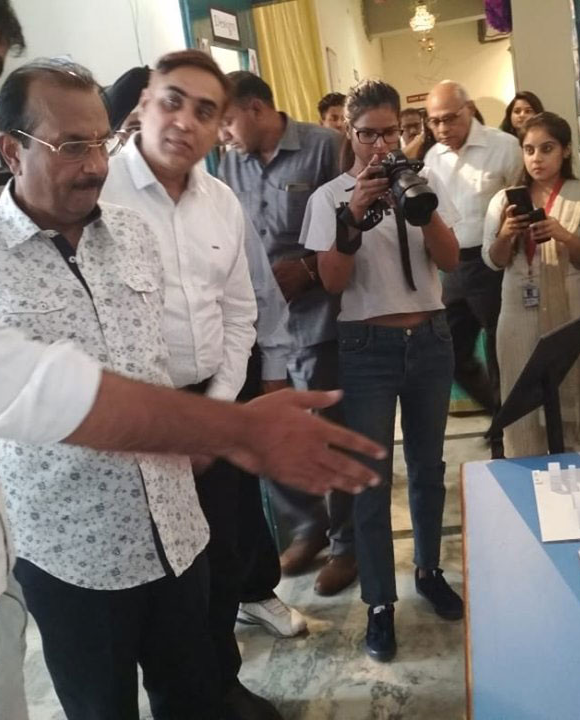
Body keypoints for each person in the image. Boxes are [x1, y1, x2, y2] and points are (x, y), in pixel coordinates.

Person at [0, 3, 384, 718]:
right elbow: (0, 387)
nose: (96, 164)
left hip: (176, 529)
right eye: (72, 146)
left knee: (197, 693)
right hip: (68, 555)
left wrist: (223, 410)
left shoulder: (133, 235)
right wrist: (239, 430)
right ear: (12, 152)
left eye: (102, 142)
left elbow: (183, 340)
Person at [100, 49, 298, 719]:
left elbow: (240, 313)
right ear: (143, 106)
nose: (185, 120)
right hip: (140, 415)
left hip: (217, 397)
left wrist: (217, 413)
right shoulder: (99, 197)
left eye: (206, 111)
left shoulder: (221, 202)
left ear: (220, 128)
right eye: (172, 101)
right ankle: (183, 699)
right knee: (163, 574)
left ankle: (222, 683)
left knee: (225, 554)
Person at [302, 79, 464, 662]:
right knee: (371, 478)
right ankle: (379, 603)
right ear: (350, 133)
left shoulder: (425, 180)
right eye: (368, 134)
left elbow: (450, 260)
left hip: (430, 338)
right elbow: (332, 282)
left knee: (428, 468)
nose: (380, 145)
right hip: (366, 345)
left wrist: (419, 208)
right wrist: (353, 215)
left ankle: (428, 570)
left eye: (390, 132)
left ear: (402, 130)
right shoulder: (328, 198)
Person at [220, 71, 359, 597]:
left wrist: (306, 269)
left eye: (226, 120)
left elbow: (355, 227)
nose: (221, 134)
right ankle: (308, 524)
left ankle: (346, 545)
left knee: (330, 432)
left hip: (320, 316)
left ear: (256, 109)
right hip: (259, 327)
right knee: (269, 431)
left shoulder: (324, 147)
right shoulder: (229, 162)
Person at [482, 112, 580, 457]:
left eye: (547, 149)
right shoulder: (504, 200)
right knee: (521, 394)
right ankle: (527, 473)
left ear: (565, 150)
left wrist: (563, 235)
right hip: (519, 310)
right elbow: (493, 260)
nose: (537, 158)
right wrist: (506, 234)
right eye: (529, 150)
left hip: (574, 310)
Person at [424, 81, 523, 458]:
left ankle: (505, 439)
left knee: (501, 354)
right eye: (434, 121)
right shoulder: (433, 157)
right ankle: (498, 414)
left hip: (494, 264)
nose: (442, 128)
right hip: (451, 266)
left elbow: (521, 200)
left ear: (469, 109)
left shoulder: (504, 147)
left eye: (450, 118)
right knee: (449, 353)